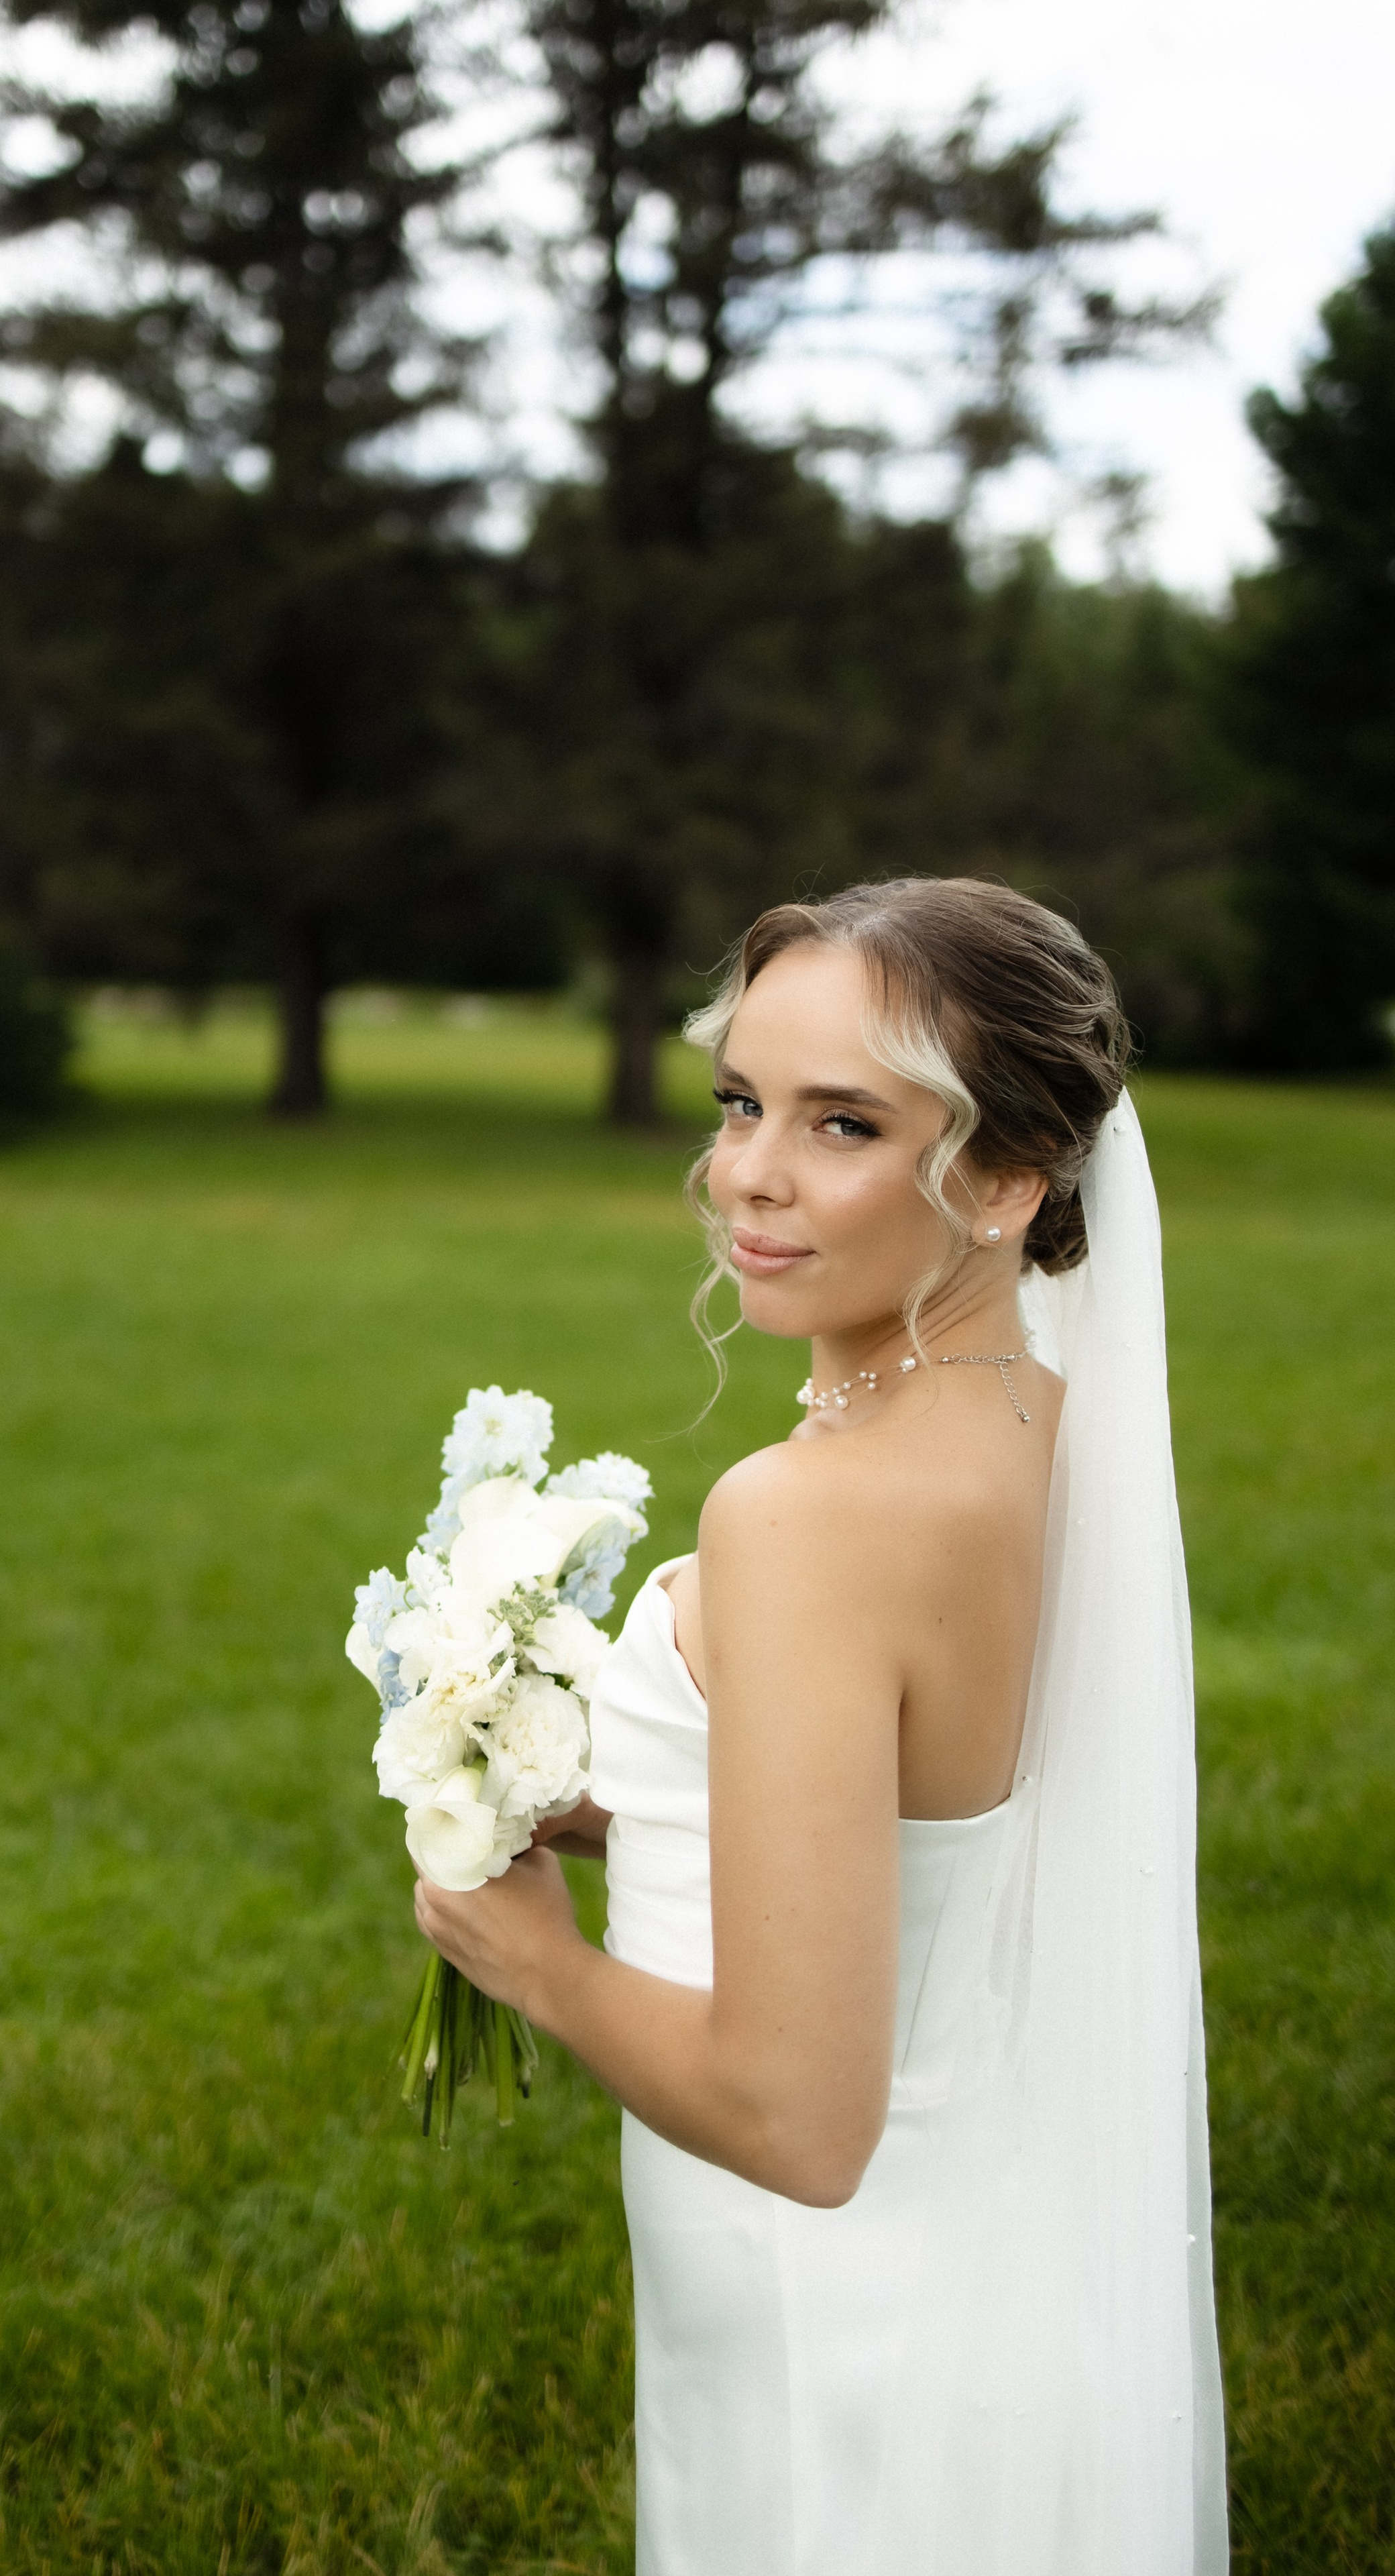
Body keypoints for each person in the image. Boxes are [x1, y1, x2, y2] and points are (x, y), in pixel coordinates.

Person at [413, 878, 1228, 2576]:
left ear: (1005, 1178)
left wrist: (534, 1961)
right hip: (988, 2262)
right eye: (739, 1103)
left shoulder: (806, 1518)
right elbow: (921, 1817)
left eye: (841, 1123)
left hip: (833, 2322)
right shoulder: (1036, 1424)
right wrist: (627, 1798)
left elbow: (798, 2119)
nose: (747, 1175)